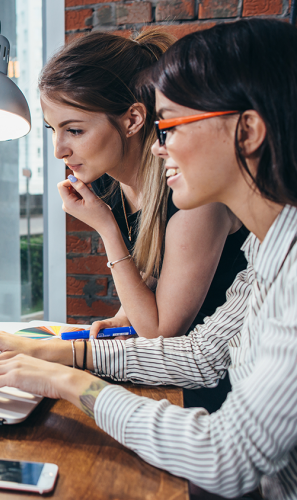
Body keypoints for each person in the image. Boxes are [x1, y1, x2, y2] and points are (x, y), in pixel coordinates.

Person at [0, 19, 297, 499]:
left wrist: (68, 381)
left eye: (172, 126)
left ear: (246, 131)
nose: (159, 146)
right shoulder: (273, 243)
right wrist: (53, 354)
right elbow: (202, 355)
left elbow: (227, 456)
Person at [40, 29, 248, 412]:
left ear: (133, 119)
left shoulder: (194, 195)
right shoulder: (109, 182)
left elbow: (159, 331)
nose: (59, 150)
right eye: (53, 130)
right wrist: (123, 319)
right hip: (167, 374)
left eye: (74, 130)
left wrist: (105, 228)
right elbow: (152, 284)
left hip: (212, 393)